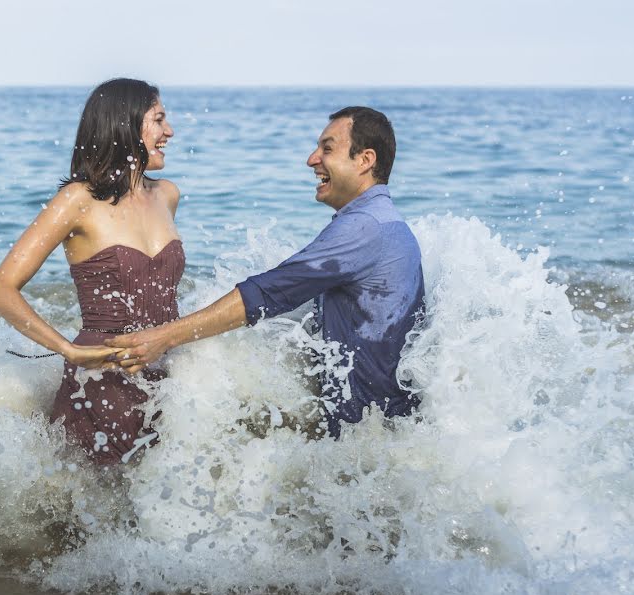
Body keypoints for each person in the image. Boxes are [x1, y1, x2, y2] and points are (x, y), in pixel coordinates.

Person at [108, 107, 424, 438]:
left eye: (327, 148)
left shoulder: (364, 228)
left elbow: (268, 293)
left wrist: (163, 338)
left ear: (365, 160)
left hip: (370, 440)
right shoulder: (385, 222)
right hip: (390, 432)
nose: (312, 159)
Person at [0, 78, 182, 464]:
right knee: (98, 508)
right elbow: (1, 289)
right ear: (125, 125)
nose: (169, 131)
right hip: (101, 383)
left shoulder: (167, 195)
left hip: (167, 380)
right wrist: (68, 351)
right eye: (159, 120)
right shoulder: (77, 200)